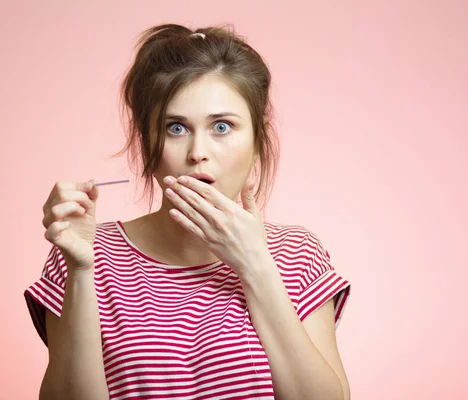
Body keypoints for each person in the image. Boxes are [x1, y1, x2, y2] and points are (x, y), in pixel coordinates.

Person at [24, 23, 352, 400]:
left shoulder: (297, 253)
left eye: (222, 126)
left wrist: (255, 264)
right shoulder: (86, 252)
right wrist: (81, 270)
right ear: (148, 142)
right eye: (176, 127)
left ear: (257, 141)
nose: (198, 151)